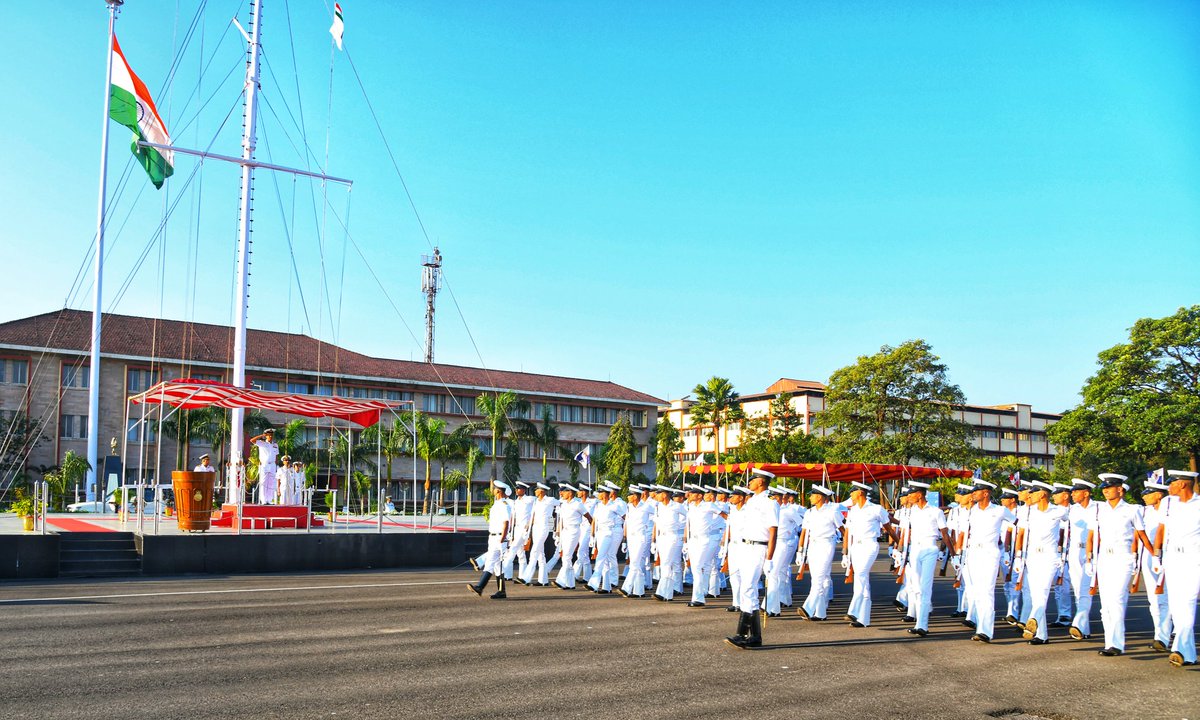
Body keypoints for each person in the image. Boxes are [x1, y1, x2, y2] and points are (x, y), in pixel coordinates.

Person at [1087, 473, 1153, 656]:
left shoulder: (1132, 510)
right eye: (1104, 489)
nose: (1106, 491)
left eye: (1110, 488)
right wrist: (1090, 558)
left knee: (1116, 599)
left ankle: (1116, 644)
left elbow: (1141, 535)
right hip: (1104, 558)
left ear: (1120, 490)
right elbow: (1094, 536)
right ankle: (1110, 642)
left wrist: (1154, 554)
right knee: (1105, 604)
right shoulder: (1099, 510)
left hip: (1122, 558)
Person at [725, 469, 778, 649]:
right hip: (746, 546)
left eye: (753, 479)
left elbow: (773, 532)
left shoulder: (770, 503)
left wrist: (769, 558)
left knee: (748, 587)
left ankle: (742, 634)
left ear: (761, 482)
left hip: (759, 547)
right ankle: (754, 636)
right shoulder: (752, 501)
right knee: (748, 589)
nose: (750, 482)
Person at [1013, 480, 1067, 645]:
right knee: (1036, 596)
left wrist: (1061, 553)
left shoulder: (1058, 511)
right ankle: (1041, 635)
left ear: (1043, 494)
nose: (1030, 495)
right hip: (1031, 557)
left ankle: (1033, 619)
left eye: (1034, 492)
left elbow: (1071, 529)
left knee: (1042, 591)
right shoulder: (1027, 512)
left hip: (1049, 557)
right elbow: (1020, 535)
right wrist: (1018, 556)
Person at [903, 481, 954, 637]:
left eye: (911, 494)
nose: (908, 497)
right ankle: (920, 621)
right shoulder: (911, 512)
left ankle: (922, 625)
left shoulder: (935, 512)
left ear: (919, 495)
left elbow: (945, 534)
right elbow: (907, 532)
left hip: (930, 548)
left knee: (925, 588)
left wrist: (952, 554)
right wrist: (901, 551)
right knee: (916, 587)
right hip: (915, 549)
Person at [843, 481, 896, 627]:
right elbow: (848, 532)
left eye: (852, 492)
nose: (851, 495)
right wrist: (845, 552)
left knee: (861, 574)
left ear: (860, 492)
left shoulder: (876, 509)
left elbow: (889, 529)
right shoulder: (853, 510)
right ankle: (863, 619)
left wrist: (898, 545)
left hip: (870, 544)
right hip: (856, 546)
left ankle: (853, 610)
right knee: (862, 581)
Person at [1161, 469, 1200, 668]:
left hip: (1193, 559)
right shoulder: (1167, 504)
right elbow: (1163, 532)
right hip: (1173, 557)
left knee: (1189, 602)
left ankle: (1178, 648)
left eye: (1172, 483)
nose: (1169, 487)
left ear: (1182, 484)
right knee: (1177, 606)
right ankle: (1189, 654)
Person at [797, 484, 842, 621]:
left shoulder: (832, 511)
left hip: (826, 544)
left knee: (820, 578)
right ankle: (820, 613)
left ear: (820, 497)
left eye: (812, 495)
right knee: (815, 579)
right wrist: (800, 551)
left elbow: (843, 529)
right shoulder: (809, 512)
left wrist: (846, 551)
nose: (810, 497)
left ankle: (808, 608)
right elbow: (804, 532)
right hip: (813, 545)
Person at [1136, 480, 1171, 652]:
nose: (1144, 497)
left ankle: (1172, 632)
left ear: (1159, 495)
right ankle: (1160, 635)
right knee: (1154, 599)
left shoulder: (1170, 510)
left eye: (1148, 493)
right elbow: (1139, 535)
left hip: (1169, 556)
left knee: (1170, 597)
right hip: (1150, 558)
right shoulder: (1144, 512)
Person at [468, 480, 513, 599]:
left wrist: (503, 538)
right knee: (497, 566)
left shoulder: (504, 505)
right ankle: (501, 591)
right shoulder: (497, 504)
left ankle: (480, 587)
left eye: (494, 488)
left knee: (490, 562)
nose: (493, 490)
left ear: (499, 491)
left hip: (499, 538)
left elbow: (506, 523)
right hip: (493, 536)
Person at [1065, 478, 1098, 640]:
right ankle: (1083, 629)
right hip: (1074, 551)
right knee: (1078, 590)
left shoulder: (1099, 507)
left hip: (1092, 552)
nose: (1072, 494)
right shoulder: (1072, 510)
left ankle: (1079, 624)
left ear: (1086, 493)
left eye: (1076, 491)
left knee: (1087, 589)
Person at [684, 483, 723, 607]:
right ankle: (701, 594)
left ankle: (698, 597)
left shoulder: (708, 506)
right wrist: (686, 541)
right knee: (697, 567)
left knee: (698, 567)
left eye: (693, 493)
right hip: (693, 540)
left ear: (700, 495)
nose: (690, 494)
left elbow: (726, 516)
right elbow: (688, 524)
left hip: (704, 539)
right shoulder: (691, 506)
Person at [653, 486, 687, 601]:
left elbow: (690, 518)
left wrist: (686, 534)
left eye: (658, 493)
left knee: (667, 564)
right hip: (662, 537)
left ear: (664, 494)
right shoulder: (659, 507)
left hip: (673, 536)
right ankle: (667, 593)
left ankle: (663, 592)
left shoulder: (677, 506)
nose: (656, 496)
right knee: (665, 564)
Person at [521, 482, 559, 586]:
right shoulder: (536, 501)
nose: (535, 491)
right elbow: (533, 514)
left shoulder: (550, 500)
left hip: (544, 527)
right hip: (535, 528)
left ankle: (526, 578)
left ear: (542, 491)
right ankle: (543, 580)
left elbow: (562, 504)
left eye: (536, 489)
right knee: (540, 554)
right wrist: (529, 525)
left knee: (534, 551)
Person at [1048, 484, 1075, 627]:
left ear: (1065, 495)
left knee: (1078, 586)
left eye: (1057, 494)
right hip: (1059, 552)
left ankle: (1080, 619)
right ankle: (1063, 615)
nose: (1054, 496)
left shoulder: (1075, 511)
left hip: (1075, 551)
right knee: (1060, 585)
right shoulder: (1053, 511)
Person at [504, 482, 535, 582]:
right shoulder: (516, 501)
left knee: (512, 549)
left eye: (519, 489)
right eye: (516, 489)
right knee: (520, 554)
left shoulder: (529, 499)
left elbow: (539, 505)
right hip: (516, 529)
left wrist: (530, 523)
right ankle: (521, 577)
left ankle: (502, 570)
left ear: (524, 490)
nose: (516, 490)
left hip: (524, 529)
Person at [249, 429, 279, 505]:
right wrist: (261, 436)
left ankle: (269, 500)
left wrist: (276, 466)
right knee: (264, 482)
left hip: (272, 465)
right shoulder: (262, 443)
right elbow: (252, 440)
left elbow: (276, 456)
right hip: (265, 464)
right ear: (266, 436)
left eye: (271, 435)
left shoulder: (275, 445)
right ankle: (264, 500)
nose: (270, 436)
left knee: (271, 483)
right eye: (269, 435)